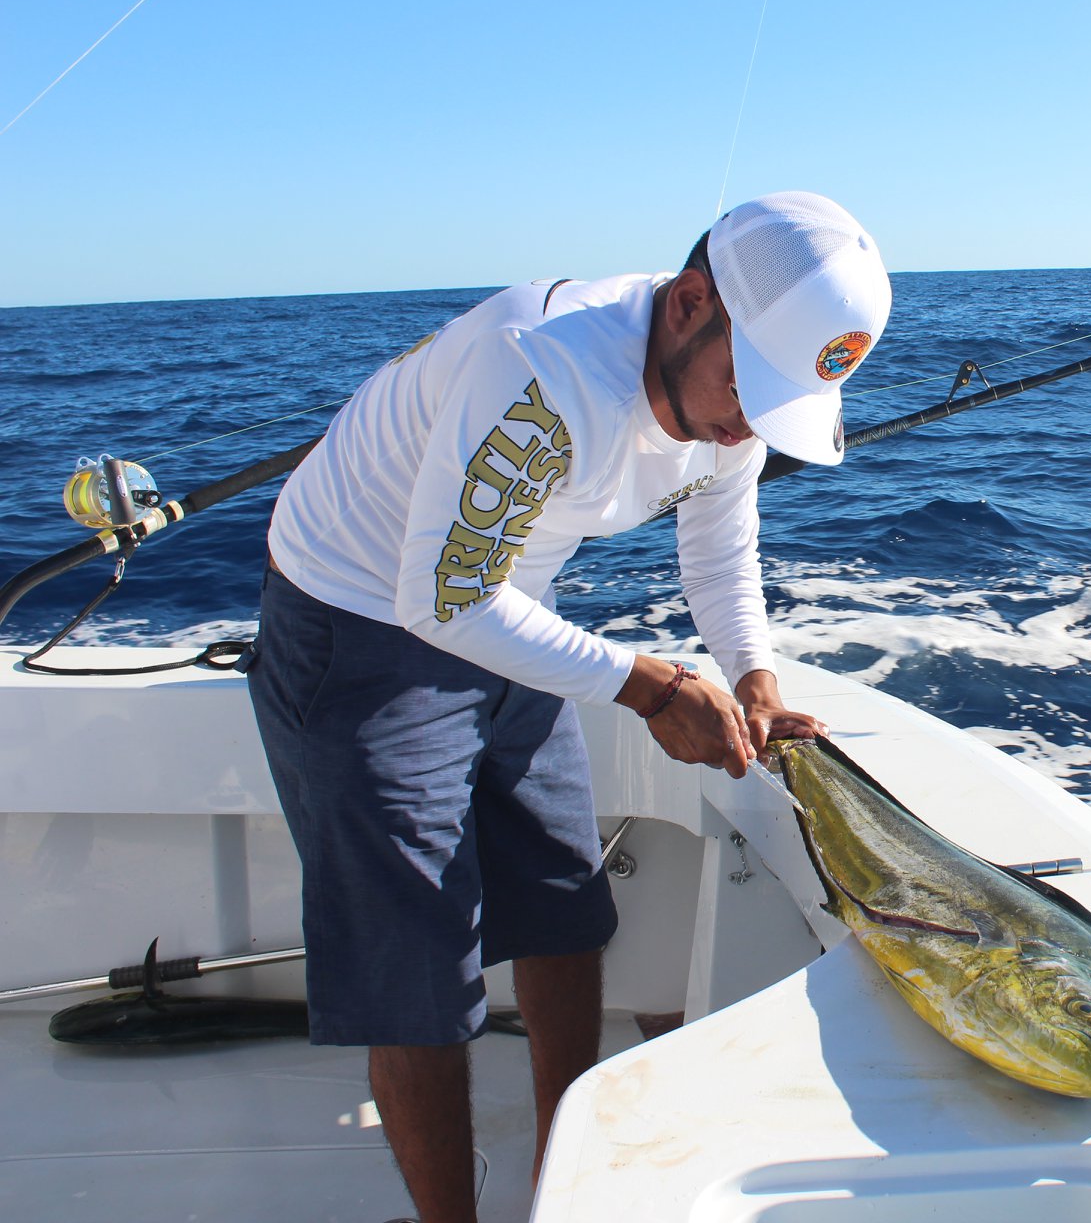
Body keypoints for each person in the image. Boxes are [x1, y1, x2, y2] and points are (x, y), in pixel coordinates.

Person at [245, 191, 891, 1223]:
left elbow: (718, 548)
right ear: (689, 303)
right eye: (746, 387)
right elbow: (440, 597)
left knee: (564, 904)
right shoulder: (542, 368)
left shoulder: (737, 403)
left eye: (775, 406)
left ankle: (564, 1176)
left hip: (506, 605)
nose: (747, 426)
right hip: (361, 617)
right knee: (418, 968)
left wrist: (753, 672)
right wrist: (648, 684)